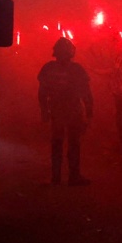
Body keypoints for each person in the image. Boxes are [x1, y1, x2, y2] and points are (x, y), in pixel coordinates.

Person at [38, 37, 93, 185]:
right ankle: (73, 176)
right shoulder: (77, 69)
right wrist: (89, 112)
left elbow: (42, 93)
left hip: (58, 110)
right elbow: (87, 94)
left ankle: (56, 177)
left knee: (57, 143)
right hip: (72, 110)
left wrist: (44, 111)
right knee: (73, 144)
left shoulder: (48, 68)